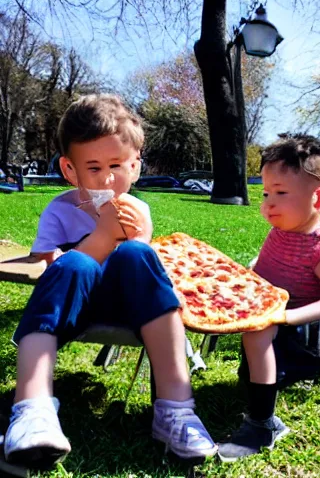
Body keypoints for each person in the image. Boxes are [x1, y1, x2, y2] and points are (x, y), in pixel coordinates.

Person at [3, 94, 217, 469]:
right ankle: (32, 408)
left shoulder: (139, 210)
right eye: (93, 167)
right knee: (73, 266)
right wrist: (100, 238)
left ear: (135, 166)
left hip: (131, 308)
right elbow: (53, 272)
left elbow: (140, 275)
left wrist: (138, 239)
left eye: (117, 165)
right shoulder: (60, 210)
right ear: (71, 170)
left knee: (138, 255)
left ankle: (176, 411)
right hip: (73, 307)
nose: (106, 179)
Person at [218, 136, 320, 462]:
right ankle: (269, 378)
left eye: (281, 193)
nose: (268, 203)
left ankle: (263, 425)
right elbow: (262, 272)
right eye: (266, 193)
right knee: (248, 374)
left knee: (260, 328)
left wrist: (286, 317)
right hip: (281, 325)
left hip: (316, 333)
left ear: (318, 197)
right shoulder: (280, 232)